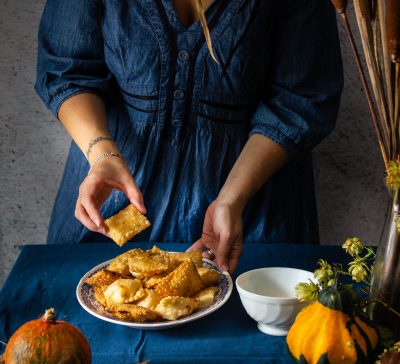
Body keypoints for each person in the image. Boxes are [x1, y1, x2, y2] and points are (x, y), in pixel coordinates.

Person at [35, 0, 343, 274]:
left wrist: (232, 199)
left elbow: (300, 100)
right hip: (110, 189)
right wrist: (102, 155)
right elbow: (68, 71)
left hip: (249, 209)